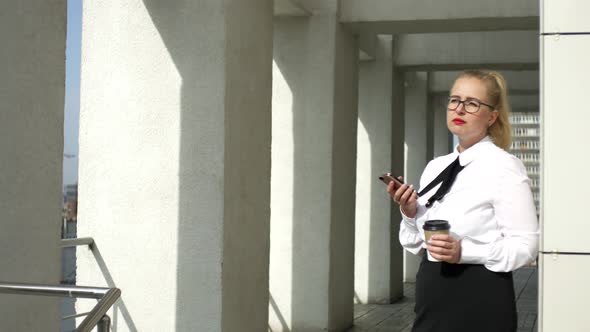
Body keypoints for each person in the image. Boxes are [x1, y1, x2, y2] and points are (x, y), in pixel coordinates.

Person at [387, 70, 539, 332]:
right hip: (431, 294)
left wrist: (464, 252)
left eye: (472, 103)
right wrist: (409, 212)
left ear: (492, 116)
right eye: (455, 100)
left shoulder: (504, 166)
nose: (460, 108)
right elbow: (415, 242)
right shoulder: (436, 167)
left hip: (479, 295)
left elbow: (527, 246)